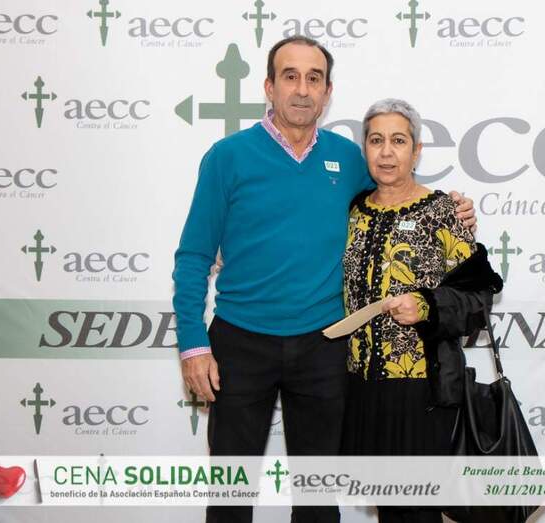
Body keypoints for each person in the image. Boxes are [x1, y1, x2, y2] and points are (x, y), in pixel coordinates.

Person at [172, 37, 477, 523]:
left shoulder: (350, 158)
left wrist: (453, 207)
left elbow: (396, 196)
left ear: (328, 91)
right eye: (290, 76)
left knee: (317, 498)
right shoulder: (227, 157)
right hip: (240, 345)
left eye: (313, 78)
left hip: (325, 346)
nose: (302, 89)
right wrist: (193, 344)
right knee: (230, 494)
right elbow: (193, 257)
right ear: (269, 87)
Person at [340, 99, 503, 523]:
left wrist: (429, 306)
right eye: (376, 140)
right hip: (364, 388)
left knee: (418, 511)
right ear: (364, 148)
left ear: (416, 151)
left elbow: (479, 299)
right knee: (389, 509)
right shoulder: (353, 211)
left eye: (398, 141)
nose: (386, 152)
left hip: (423, 390)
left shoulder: (443, 212)